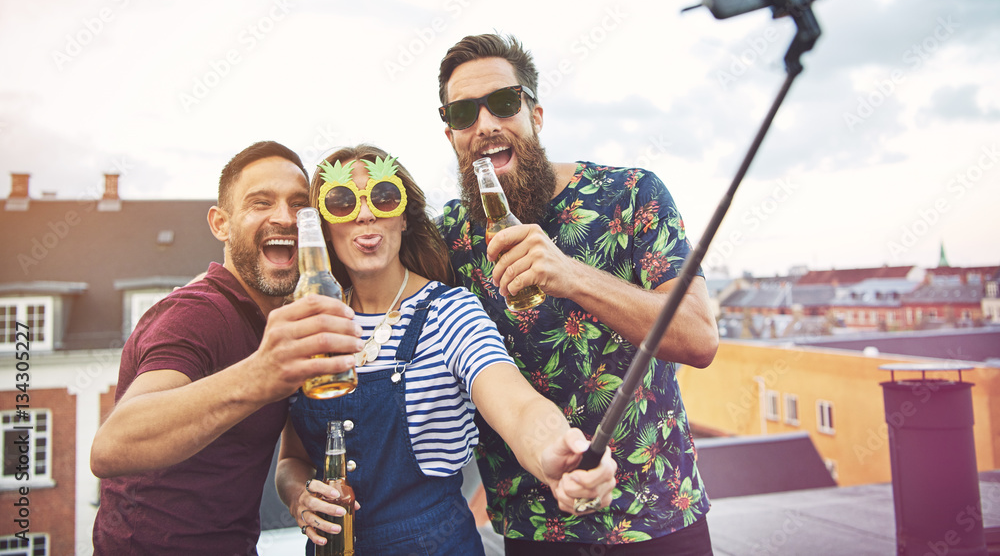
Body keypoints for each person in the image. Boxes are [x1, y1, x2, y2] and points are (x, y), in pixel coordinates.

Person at [435, 33, 720, 555]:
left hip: (658, 517)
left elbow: (699, 337)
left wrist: (572, 276)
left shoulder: (632, 193)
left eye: (503, 103)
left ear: (535, 114)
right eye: (463, 113)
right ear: (449, 132)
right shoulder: (449, 236)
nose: (486, 125)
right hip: (534, 530)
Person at [275, 144, 617, 556]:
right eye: (343, 202)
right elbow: (290, 460)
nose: (365, 214)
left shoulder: (449, 314)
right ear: (326, 226)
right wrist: (298, 496)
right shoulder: (308, 323)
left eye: (383, 197)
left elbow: (517, 405)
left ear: (402, 217)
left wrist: (556, 452)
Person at [90, 141, 364, 555]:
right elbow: (112, 447)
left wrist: (299, 497)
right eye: (260, 203)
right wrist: (260, 374)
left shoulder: (277, 319)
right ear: (221, 224)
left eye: (297, 205)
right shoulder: (197, 312)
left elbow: (280, 462)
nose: (283, 218)